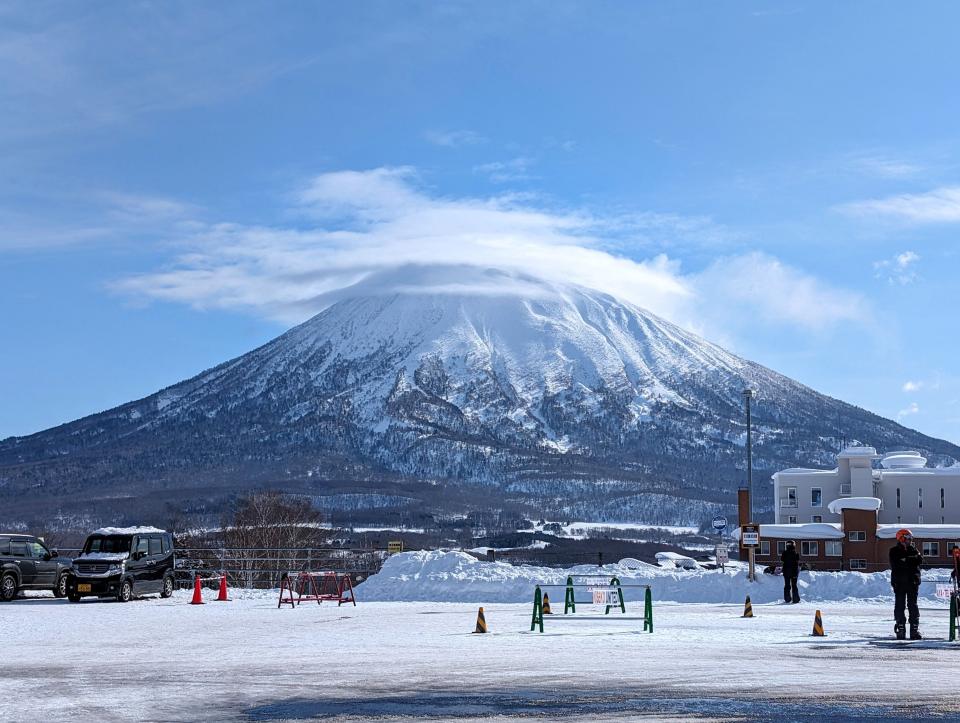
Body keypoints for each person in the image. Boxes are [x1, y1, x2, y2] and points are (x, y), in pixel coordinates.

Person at [889, 528, 923, 640]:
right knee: (899, 606)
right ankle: (900, 628)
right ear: (902, 538)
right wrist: (910, 561)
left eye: (911, 539)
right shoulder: (894, 551)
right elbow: (897, 563)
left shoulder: (914, 550)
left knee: (913, 606)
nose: (910, 541)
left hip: (912, 582)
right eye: (908, 538)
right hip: (899, 583)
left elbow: (919, 560)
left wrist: (906, 560)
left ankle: (914, 629)